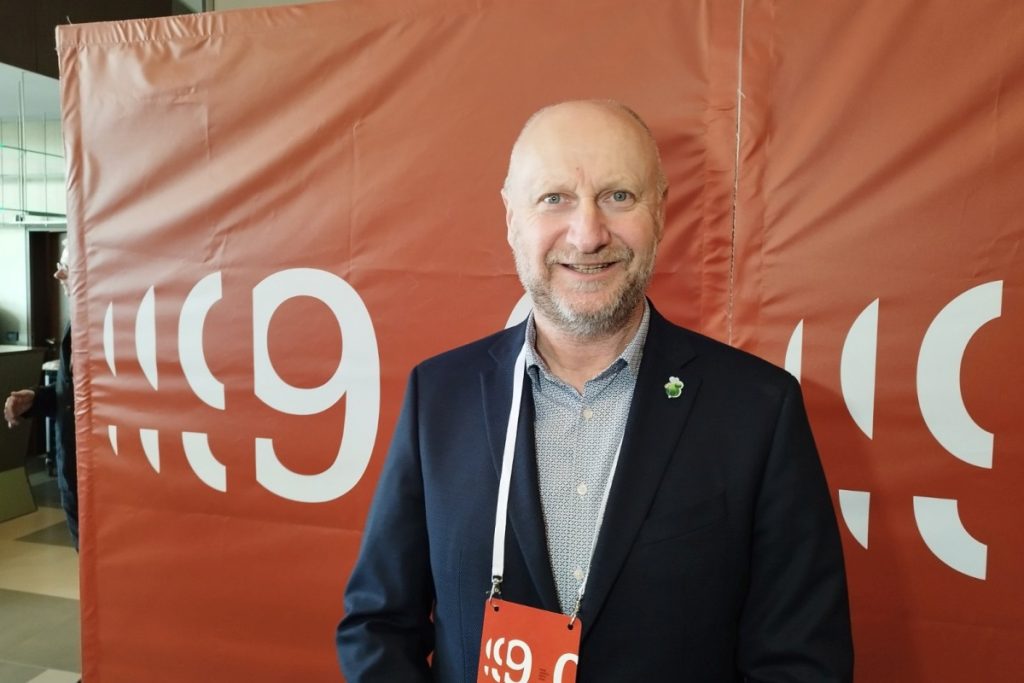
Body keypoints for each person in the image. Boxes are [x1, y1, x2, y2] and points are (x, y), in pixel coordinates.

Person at [337, 100, 853, 681]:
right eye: (554, 198)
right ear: (511, 218)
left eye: (618, 196)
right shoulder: (440, 396)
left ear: (661, 211)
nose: (587, 235)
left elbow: (801, 662)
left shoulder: (758, 411)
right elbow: (378, 625)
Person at [4, 240, 79, 550]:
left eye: (67, 267)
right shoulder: (75, 324)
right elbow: (73, 397)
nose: (58, 275)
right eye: (60, 266)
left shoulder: (111, 326)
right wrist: (36, 399)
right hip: (72, 479)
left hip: (101, 482)